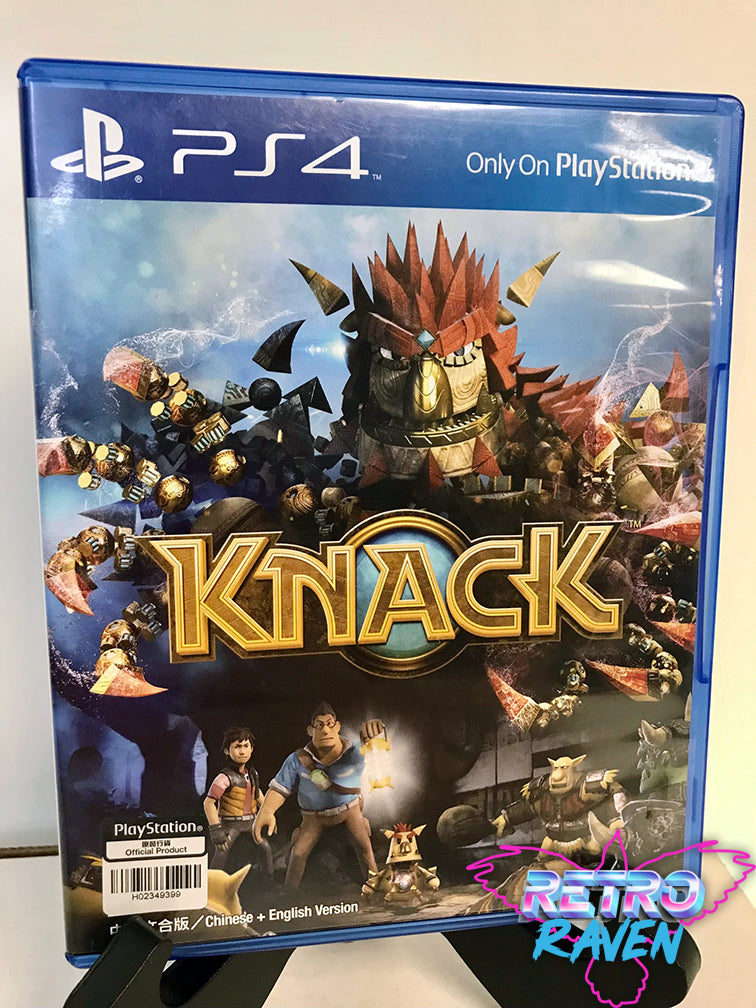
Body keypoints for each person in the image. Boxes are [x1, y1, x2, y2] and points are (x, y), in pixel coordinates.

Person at [254, 702, 384, 889]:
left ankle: (376, 886)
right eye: (319, 725)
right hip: (313, 818)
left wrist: (374, 733)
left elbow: (372, 747)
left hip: (350, 812)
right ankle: (288, 895)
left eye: (330, 724)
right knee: (298, 853)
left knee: (364, 848)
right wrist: (266, 811)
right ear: (310, 730)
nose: (325, 730)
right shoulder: (297, 760)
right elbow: (280, 788)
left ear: (338, 726)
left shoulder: (354, 754)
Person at [203, 726, 272, 876]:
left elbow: (258, 795)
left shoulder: (252, 774)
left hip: (251, 822)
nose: (242, 751)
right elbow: (209, 803)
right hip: (230, 824)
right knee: (222, 852)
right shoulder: (224, 777)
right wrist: (216, 829)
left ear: (251, 749)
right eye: (237, 746)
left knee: (265, 848)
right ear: (227, 751)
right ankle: (211, 883)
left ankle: (268, 880)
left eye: (246, 746)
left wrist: (269, 814)